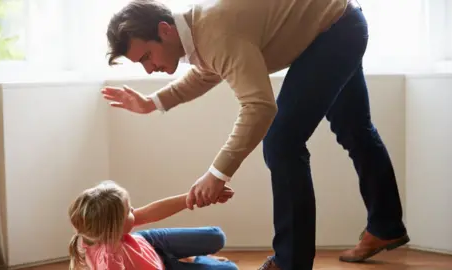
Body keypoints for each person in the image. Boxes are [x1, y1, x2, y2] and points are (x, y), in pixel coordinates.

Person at [101, 0, 410, 269]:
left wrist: (218, 172)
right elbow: (207, 72)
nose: (148, 69)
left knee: (281, 142)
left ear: (165, 30)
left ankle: (290, 263)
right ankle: (386, 225)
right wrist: (152, 102)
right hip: (339, 23)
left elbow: (259, 107)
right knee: (354, 129)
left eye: (146, 57)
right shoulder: (198, 32)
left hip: (335, 30)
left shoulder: (215, 33)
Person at [68, 180, 238, 270]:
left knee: (216, 236)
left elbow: (151, 212)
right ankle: (192, 259)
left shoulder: (100, 229)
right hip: (162, 266)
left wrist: (193, 197)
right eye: (129, 210)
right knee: (229, 269)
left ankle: (189, 256)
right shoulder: (109, 262)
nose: (133, 210)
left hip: (147, 243)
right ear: (114, 228)